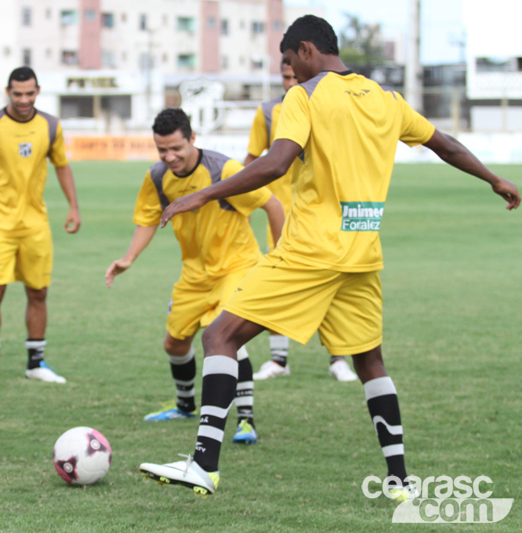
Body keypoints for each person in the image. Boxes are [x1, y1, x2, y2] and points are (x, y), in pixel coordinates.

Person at [139, 15, 519, 497]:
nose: (291, 75)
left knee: (220, 336)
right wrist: (493, 179)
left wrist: (202, 195)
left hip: (312, 249)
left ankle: (203, 465)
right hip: (362, 252)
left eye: (290, 64)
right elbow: (444, 143)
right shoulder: (387, 99)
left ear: (305, 50)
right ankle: (400, 480)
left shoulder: (306, 96)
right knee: (370, 360)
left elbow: (276, 162)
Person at [106, 108, 285, 444]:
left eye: (176, 148)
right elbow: (148, 218)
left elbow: (272, 205)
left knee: (225, 336)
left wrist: (278, 256)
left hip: (237, 266)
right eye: (162, 150)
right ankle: (185, 404)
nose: (169, 156)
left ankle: (246, 420)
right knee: (174, 342)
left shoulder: (225, 170)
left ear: (192, 139)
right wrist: (128, 258)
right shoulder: (158, 176)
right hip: (194, 274)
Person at [0, 66, 81, 387]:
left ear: (37, 91)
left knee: (38, 292)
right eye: (17, 93)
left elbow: (62, 166)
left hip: (36, 224)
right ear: (8, 92)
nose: (23, 100)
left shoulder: (51, 126)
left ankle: (35, 362)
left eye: (29, 93)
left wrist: (73, 207)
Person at [246, 59, 357, 382]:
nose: (291, 81)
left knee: (332, 284)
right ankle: (279, 360)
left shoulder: (328, 106)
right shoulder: (267, 112)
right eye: (285, 76)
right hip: (281, 215)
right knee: (275, 286)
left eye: (295, 75)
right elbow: (252, 160)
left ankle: (339, 359)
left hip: (322, 213)